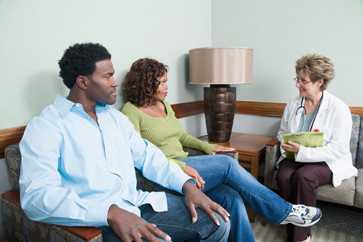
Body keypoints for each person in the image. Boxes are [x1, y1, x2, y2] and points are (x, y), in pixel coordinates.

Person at [18, 43, 232, 242]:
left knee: (218, 223)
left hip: (137, 204)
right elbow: (36, 197)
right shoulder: (47, 126)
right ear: (83, 82)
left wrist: (187, 186)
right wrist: (109, 212)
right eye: (107, 76)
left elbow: (150, 157)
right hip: (98, 221)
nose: (115, 82)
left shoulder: (115, 119)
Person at [121, 58, 323, 242]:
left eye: (166, 81)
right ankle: (283, 211)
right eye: (162, 82)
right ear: (147, 83)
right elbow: (139, 157)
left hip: (186, 163)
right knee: (227, 164)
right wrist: (180, 166)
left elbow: (182, 137)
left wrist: (209, 146)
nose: (167, 87)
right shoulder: (131, 111)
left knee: (231, 197)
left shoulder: (164, 104)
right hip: (166, 174)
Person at [275, 54, 358, 242]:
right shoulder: (293, 104)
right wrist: (286, 145)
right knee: (283, 176)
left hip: (327, 161)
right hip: (295, 156)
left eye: (303, 81)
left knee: (305, 176)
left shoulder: (338, 108)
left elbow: (339, 149)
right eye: (297, 79)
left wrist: (302, 152)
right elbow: (282, 132)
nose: (297, 84)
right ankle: (292, 225)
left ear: (320, 82)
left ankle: (301, 237)